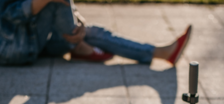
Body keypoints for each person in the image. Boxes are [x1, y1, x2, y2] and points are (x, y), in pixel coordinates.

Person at [0, 0, 191, 65]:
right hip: (16, 46)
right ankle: (78, 45)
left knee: (93, 32)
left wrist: (79, 23)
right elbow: (8, 15)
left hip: (37, 37)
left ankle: (162, 53)